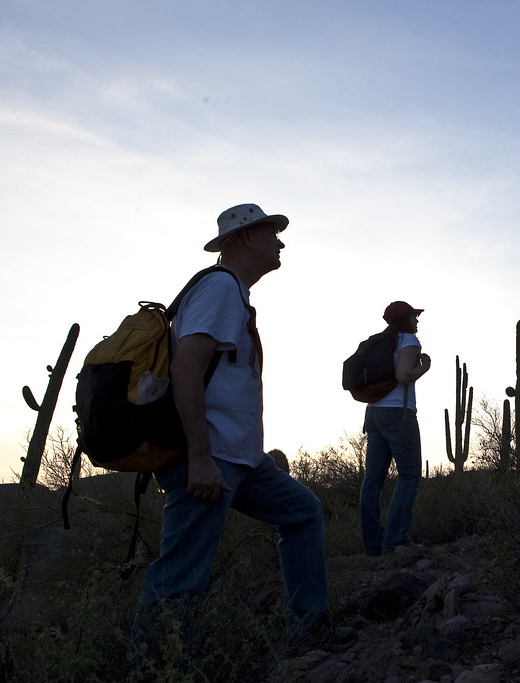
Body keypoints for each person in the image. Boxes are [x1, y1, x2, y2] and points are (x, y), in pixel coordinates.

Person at [136, 203, 351, 651]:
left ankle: (306, 631)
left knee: (303, 512)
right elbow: (185, 369)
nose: (281, 242)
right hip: (209, 457)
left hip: (240, 459)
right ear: (248, 237)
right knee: (180, 577)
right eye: (274, 233)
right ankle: (150, 666)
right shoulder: (219, 289)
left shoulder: (233, 292)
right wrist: (198, 459)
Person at [359, 301, 431, 556]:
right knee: (410, 475)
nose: (417, 320)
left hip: (374, 413)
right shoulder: (408, 341)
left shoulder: (380, 341)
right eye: (414, 316)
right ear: (405, 319)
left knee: (373, 479)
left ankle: (373, 545)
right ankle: (396, 540)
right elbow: (403, 375)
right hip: (398, 414)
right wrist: (424, 367)